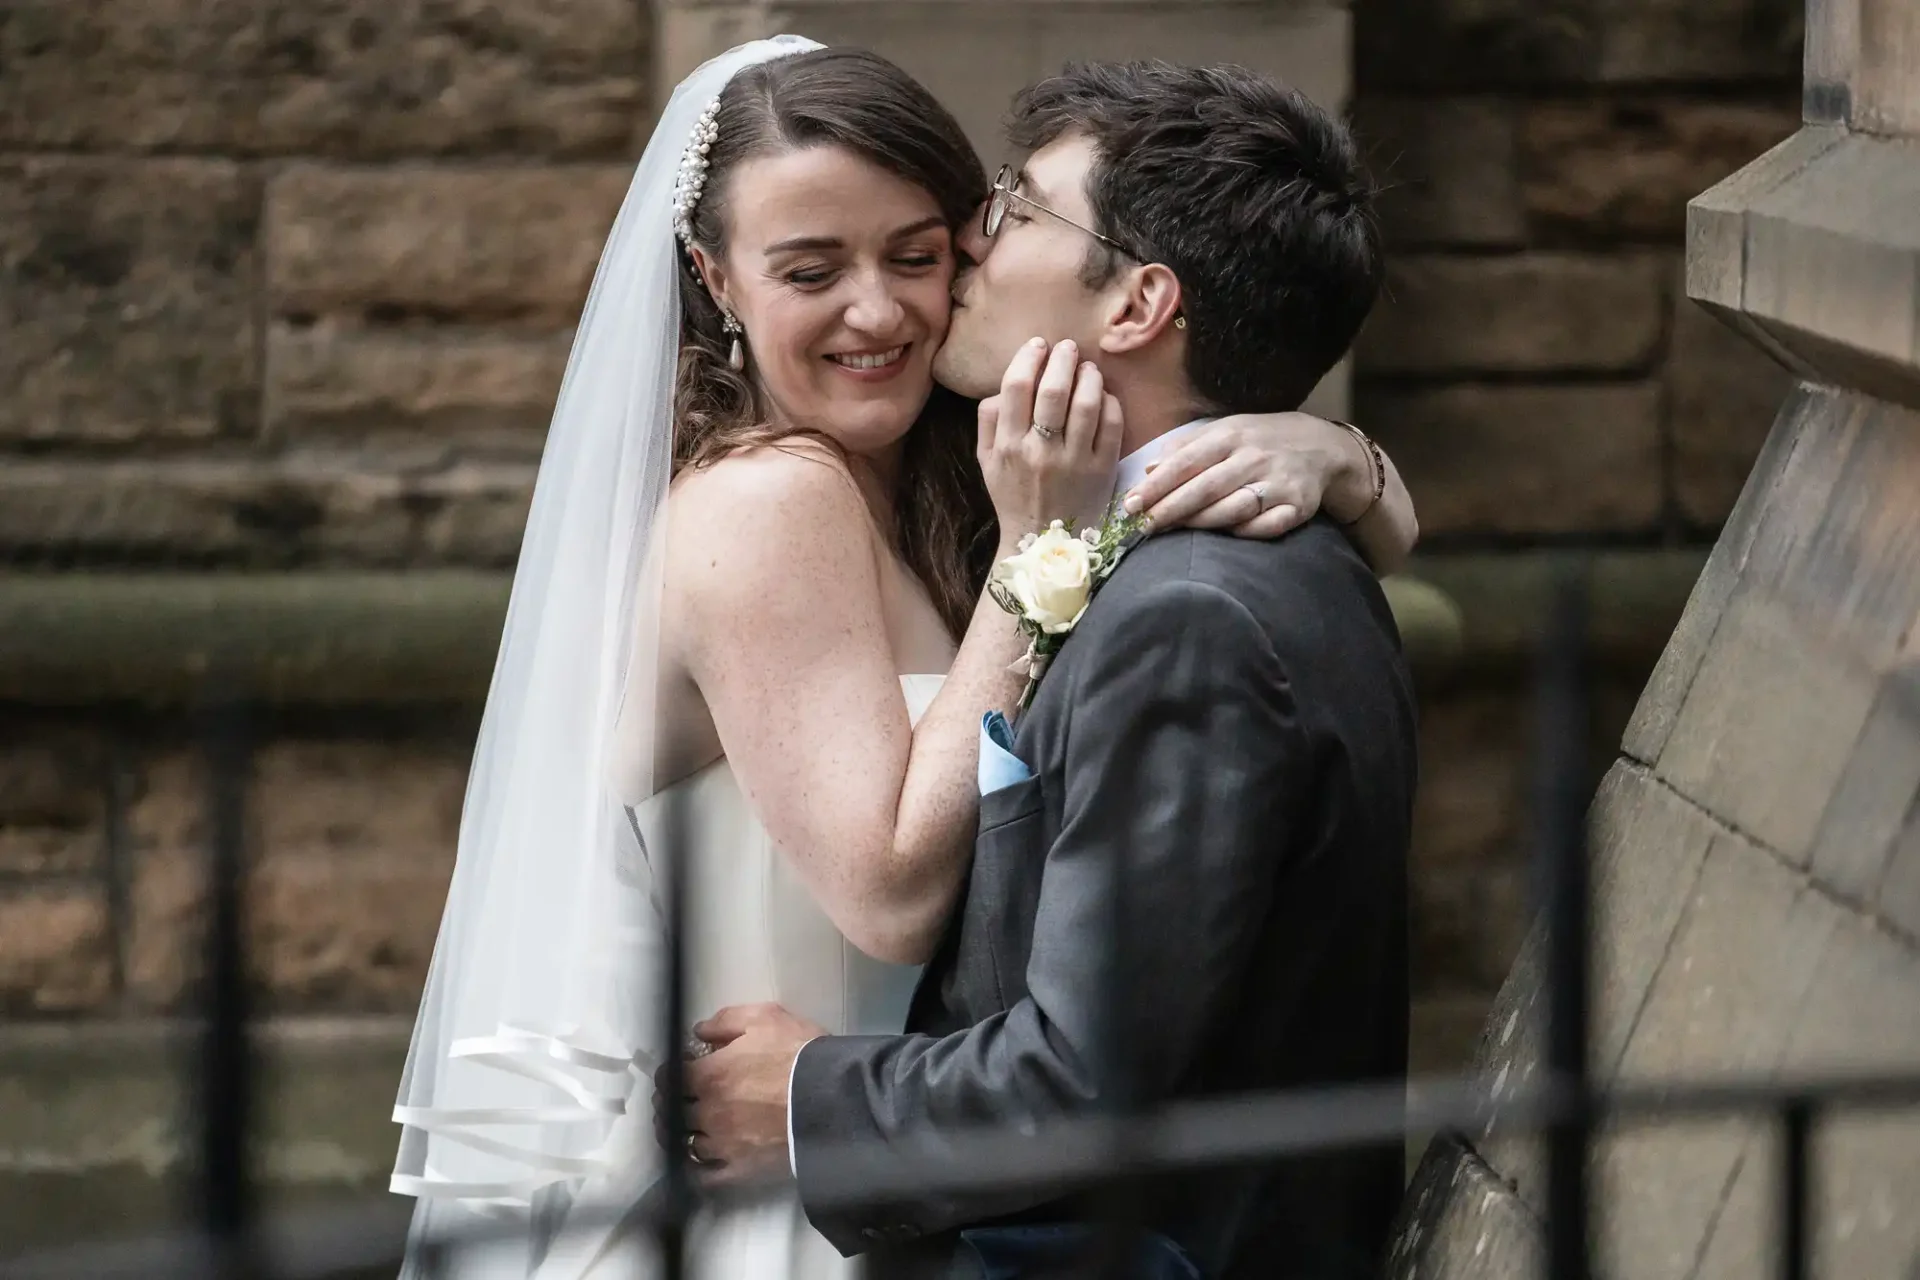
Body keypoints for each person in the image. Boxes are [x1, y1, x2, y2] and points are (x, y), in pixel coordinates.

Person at [390, 37, 1418, 1280]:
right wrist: (1041, 548)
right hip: (771, 1176)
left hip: (922, 1181)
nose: (882, 309)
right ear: (715, 277)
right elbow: (887, 892)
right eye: (811, 269)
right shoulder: (783, 501)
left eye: (926, 252)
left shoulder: (985, 475)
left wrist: (1333, 457)